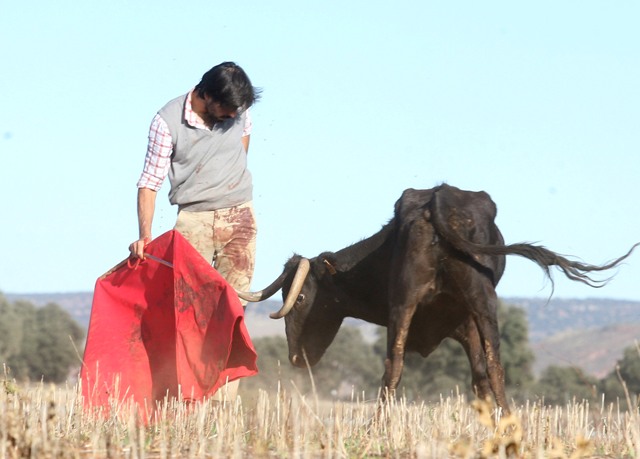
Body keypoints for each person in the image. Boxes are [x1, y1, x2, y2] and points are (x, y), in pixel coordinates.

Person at [129, 61, 261, 400]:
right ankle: (186, 397)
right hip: (194, 222)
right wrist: (144, 235)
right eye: (227, 110)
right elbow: (149, 183)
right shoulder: (166, 122)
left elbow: (241, 145)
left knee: (233, 311)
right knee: (191, 314)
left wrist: (229, 184)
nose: (234, 116)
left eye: (238, 111)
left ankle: (223, 405)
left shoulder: (238, 110)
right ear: (207, 96)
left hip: (240, 218)